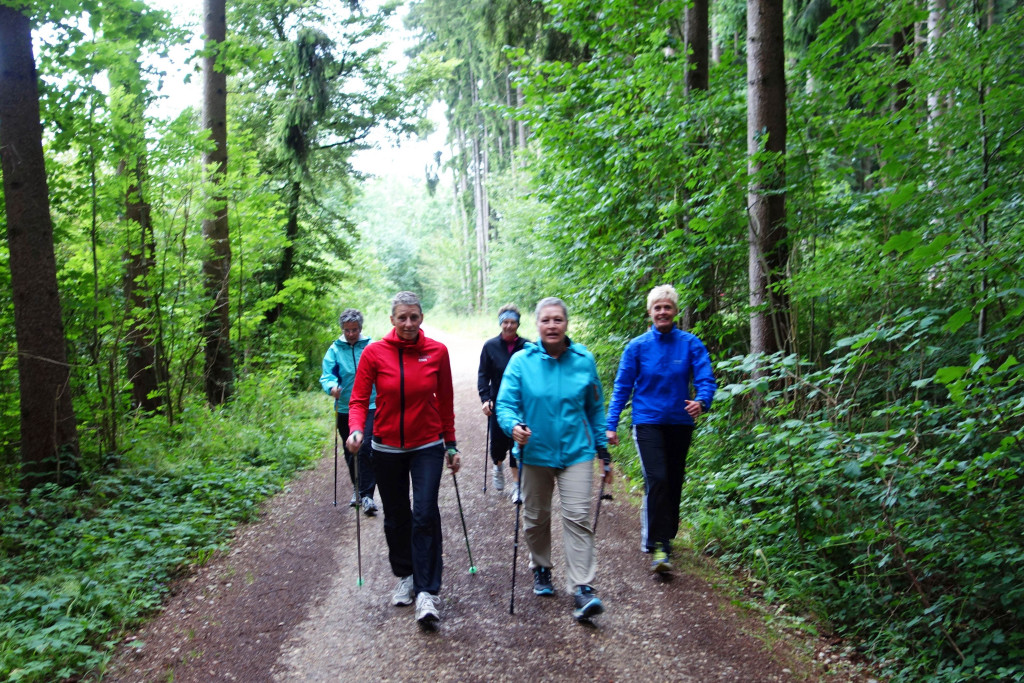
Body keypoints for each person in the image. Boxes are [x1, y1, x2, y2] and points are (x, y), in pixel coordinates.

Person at [347, 291, 460, 628]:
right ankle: (406, 575)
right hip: (386, 446)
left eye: (414, 317)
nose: (409, 323)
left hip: (427, 444)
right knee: (396, 515)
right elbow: (358, 399)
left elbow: (447, 403)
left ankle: (427, 591)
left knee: (425, 512)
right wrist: (355, 430)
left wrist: (451, 445)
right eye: (402, 318)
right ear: (392, 320)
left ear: (421, 317)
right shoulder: (374, 353)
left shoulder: (437, 352)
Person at [496, 296, 611, 622]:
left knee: (577, 517)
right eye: (545, 320)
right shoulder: (521, 362)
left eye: (557, 320)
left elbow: (595, 409)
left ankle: (582, 588)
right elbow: (506, 404)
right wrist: (513, 426)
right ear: (537, 325)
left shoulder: (584, 360)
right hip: (535, 452)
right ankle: (542, 566)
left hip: (577, 452)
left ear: (566, 324)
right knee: (536, 518)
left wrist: (603, 452)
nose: (552, 325)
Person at [605, 284, 716, 574]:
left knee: (674, 481)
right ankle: (658, 545)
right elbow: (622, 387)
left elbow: (706, 378)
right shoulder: (638, 347)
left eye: (667, 307)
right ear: (650, 312)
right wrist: (611, 424)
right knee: (658, 478)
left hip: (680, 422)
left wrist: (702, 401)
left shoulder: (690, 344)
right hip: (647, 421)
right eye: (658, 307)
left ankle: (666, 535)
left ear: (675, 311)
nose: (663, 312)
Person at [320, 308, 377, 515]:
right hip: (344, 406)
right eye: (347, 330)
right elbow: (327, 375)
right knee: (350, 448)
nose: (351, 334)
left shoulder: (371, 346)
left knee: (366, 446)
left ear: (360, 328)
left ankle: (367, 494)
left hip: (371, 405)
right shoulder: (335, 350)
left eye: (354, 329)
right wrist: (331, 387)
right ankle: (358, 487)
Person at [477, 303, 528, 502]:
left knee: (518, 442)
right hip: (498, 402)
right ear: (500, 323)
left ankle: (517, 487)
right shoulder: (490, 346)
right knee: (498, 445)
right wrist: (485, 398)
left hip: (521, 403)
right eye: (505, 322)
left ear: (518, 323)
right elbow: (483, 375)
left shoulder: (527, 346)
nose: (509, 326)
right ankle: (497, 467)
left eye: (513, 322)